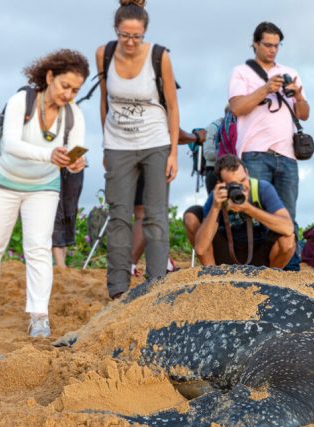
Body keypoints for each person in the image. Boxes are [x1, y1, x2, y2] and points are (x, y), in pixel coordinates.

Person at [0, 49, 89, 337]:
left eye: (75, 90)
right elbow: (10, 144)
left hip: (43, 186)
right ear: (49, 77)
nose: (68, 94)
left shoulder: (75, 116)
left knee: (38, 248)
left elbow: (74, 154)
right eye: (64, 86)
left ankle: (39, 315)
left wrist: (75, 163)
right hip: (1, 179)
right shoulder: (20, 101)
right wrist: (50, 155)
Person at [98, 0, 180, 299]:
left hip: (155, 141)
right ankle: (118, 288)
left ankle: (155, 286)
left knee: (156, 215)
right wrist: (105, 145)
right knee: (119, 214)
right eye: (125, 35)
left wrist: (172, 152)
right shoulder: (104, 54)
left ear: (145, 32)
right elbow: (104, 101)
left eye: (137, 36)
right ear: (116, 31)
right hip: (118, 143)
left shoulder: (160, 57)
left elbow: (172, 106)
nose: (130, 42)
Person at [228, 21, 309, 271]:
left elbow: (304, 115)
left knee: (288, 215)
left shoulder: (290, 71)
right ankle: (257, 267)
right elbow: (237, 107)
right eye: (268, 45)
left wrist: (298, 94)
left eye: (277, 45)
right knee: (253, 213)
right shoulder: (242, 72)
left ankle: (291, 267)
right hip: (254, 153)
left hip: (287, 155)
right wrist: (266, 88)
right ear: (255, 43)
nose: (273, 50)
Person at [184, 155, 295, 268]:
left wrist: (248, 209)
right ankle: (212, 277)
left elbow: (288, 228)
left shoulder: (261, 189)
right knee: (192, 215)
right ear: (221, 184)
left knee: (288, 239)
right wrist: (216, 208)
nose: (241, 187)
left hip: (259, 252)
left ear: (246, 172)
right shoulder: (217, 197)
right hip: (226, 254)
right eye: (234, 185)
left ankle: (270, 279)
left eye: (243, 180)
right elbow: (201, 249)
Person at [129, 127, 208, 276]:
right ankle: (129, 265)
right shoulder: (160, 104)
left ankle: (162, 261)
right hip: (152, 157)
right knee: (147, 214)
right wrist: (196, 137)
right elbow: (172, 132)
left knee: (141, 211)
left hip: (128, 153)